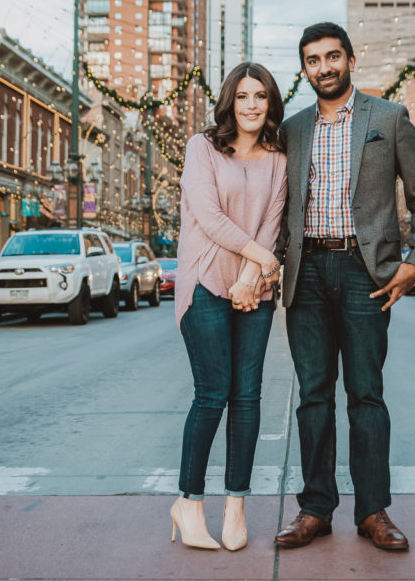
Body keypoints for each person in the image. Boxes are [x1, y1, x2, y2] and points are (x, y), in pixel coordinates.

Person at [273, 22, 415, 551]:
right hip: (306, 273)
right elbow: (277, 207)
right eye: (313, 60)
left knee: (366, 393)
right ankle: (315, 509)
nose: (323, 67)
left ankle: (373, 511)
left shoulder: (388, 118)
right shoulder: (292, 130)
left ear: (350, 59)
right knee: (313, 397)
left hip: (364, 273)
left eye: (332, 56)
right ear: (304, 69)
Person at [171, 62, 287, 551]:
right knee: (212, 393)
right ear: (229, 101)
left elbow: (273, 221)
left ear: (271, 102)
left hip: (251, 287)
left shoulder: (279, 157)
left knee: (248, 396)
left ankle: (235, 504)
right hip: (202, 282)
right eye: (242, 96)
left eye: (260, 96)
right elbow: (209, 215)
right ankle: (189, 503)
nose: (252, 105)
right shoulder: (202, 147)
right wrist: (262, 260)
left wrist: (250, 278)